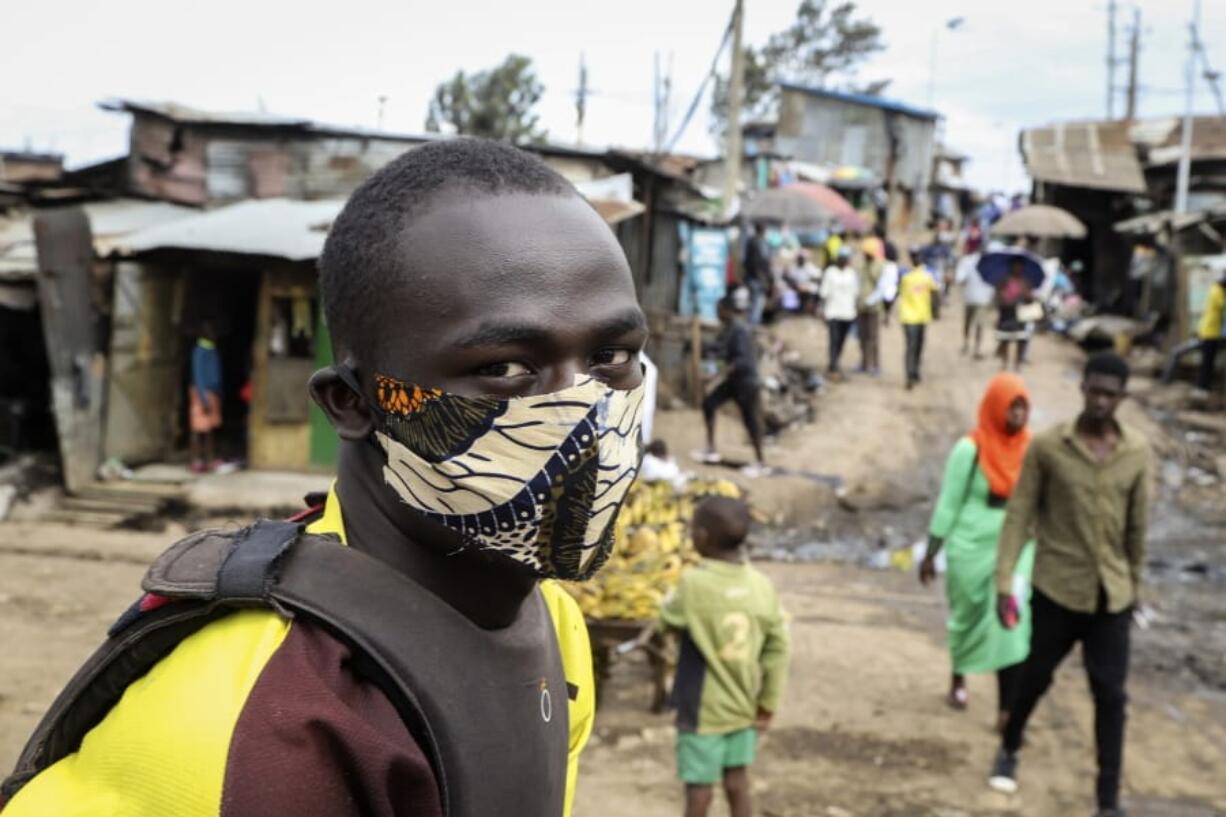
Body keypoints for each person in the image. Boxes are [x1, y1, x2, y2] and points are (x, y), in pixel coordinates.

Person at [1, 140, 642, 817]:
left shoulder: (552, 625)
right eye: (508, 368)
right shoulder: (265, 729)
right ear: (354, 403)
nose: (587, 409)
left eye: (612, 355)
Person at [988, 352, 1149, 817]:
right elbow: (1020, 514)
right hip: (1057, 588)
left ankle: (1107, 800)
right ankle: (1011, 742)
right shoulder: (1049, 447)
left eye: (1110, 394)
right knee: (1035, 676)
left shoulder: (1136, 453)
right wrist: (1004, 582)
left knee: (1111, 696)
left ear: (1122, 398)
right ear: (1082, 388)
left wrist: (1133, 588)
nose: (1100, 401)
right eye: (1094, 390)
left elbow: (1137, 528)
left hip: (1110, 596)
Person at [659, 497, 790, 817]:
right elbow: (778, 647)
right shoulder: (762, 586)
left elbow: (668, 619)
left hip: (702, 710)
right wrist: (767, 702)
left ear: (701, 537)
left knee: (699, 790)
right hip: (745, 705)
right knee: (737, 781)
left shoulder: (694, 584)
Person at [921, 374, 1035, 729]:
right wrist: (930, 552)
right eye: (1011, 406)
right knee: (967, 614)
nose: (1017, 414)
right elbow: (948, 504)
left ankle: (1007, 709)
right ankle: (959, 674)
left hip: (1015, 547)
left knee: (1011, 622)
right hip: (970, 545)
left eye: (1023, 406)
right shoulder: (969, 449)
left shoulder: (1031, 449)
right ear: (995, 406)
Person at [699, 296, 766, 476]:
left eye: (719, 310)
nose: (717, 314)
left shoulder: (739, 330)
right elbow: (721, 351)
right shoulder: (728, 330)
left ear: (727, 311)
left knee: (750, 420)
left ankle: (761, 462)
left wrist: (717, 373)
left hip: (746, 382)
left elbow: (740, 359)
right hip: (734, 381)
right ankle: (711, 449)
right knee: (709, 404)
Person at [898, 261, 938, 389]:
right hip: (910, 317)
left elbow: (934, 293)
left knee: (917, 346)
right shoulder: (906, 277)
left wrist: (935, 310)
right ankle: (910, 374)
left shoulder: (926, 276)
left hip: (920, 316)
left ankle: (914, 371)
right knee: (912, 346)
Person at [189, 321, 223, 473]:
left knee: (210, 429)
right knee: (198, 429)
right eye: (210, 331)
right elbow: (199, 376)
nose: (214, 334)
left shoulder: (211, 349)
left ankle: (209, 459)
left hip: (212, 393)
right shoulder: (200, 351)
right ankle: (197, 460)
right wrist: (203, 398)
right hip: (202, 393)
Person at [820, 247, 859, 376]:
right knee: (834, 338)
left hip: (847, 313)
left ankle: (836, 360)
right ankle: (833, 364)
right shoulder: (830, 272)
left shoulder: (851, 273)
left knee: (842, 339)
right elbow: (824, 292)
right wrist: (822, 309)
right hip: (833, 312)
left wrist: (856, 310)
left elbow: (855, 293)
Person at [995, 260, 1035, 372]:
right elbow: (998, 295)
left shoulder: (1026, 282)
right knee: (1005, 340)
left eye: (1019, 266)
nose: (1017, 268)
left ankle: (1017, 364)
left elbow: (1031, 299)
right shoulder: (1004, 280)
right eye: (1015, 266)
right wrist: (1003, 297)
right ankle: (1004, 363)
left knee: (1021, 340)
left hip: (1021, 316)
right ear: (1011, 267)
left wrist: (1028, 296)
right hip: (1006, 314)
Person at [956, 252, 994, 359]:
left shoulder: (989, 263)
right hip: (970, 298)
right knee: (969, 324)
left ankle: (976, 348)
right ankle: (966, 343)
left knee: (979, 325)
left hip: (983, 299)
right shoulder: (968, 261)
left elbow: (992, 281)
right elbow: (960, 279)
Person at [1196, 270, 1226, 393]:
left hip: (1210, 331)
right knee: (1207, 362)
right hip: (1210, 332)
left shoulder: (1217, 289)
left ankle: (1205, 386)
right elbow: (1223, 305)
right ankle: (1202, 387)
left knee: (1208, 362)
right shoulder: (1217, 291)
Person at [855, 249, 884, 376]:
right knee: (862, 337)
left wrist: (871, 300)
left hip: (873, 308)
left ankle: (875, 365)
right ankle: (864, 363)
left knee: (873, 338)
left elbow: (881, 286)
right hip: (861, 307)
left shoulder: (878, 267)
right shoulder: (862, 268)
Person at [743, 223, 771, 326]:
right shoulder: (761, 243)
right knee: (757, 301)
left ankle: (751, 322)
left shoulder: (750, 242)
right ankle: (753, 324)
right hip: (758, 278)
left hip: (751, 276)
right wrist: (765, 277)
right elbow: (763, 261)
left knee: (753, 301)